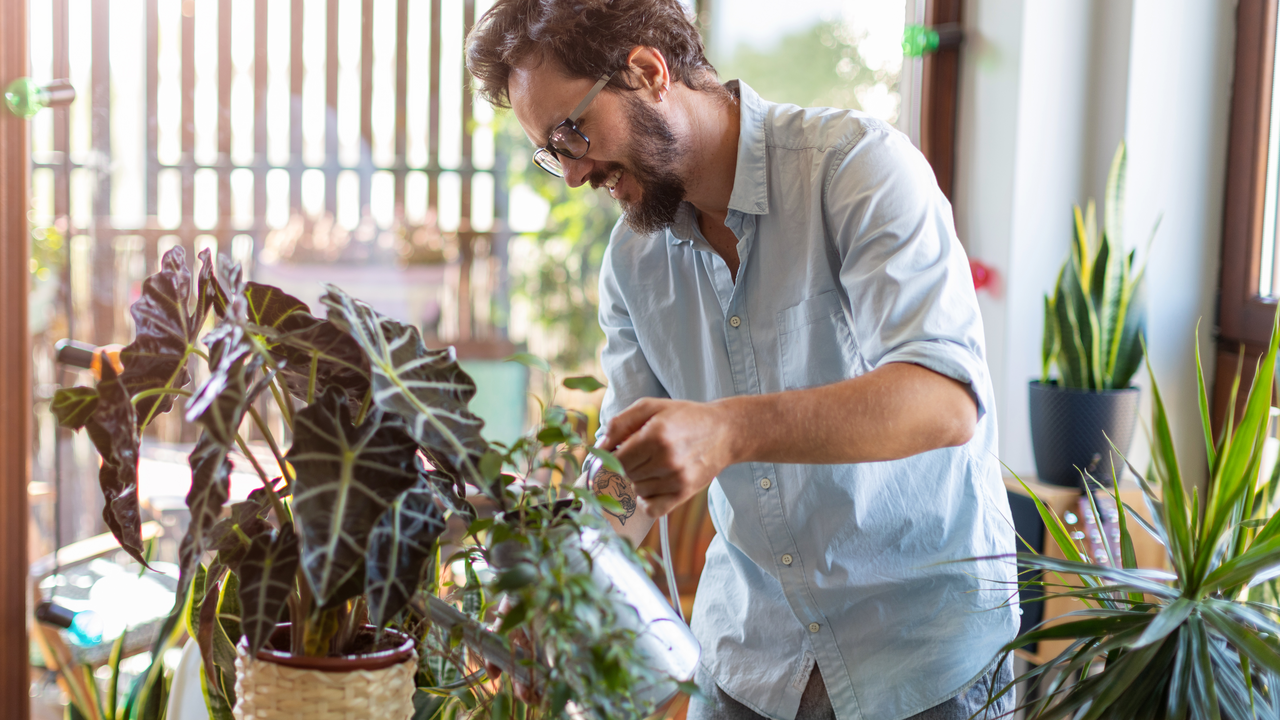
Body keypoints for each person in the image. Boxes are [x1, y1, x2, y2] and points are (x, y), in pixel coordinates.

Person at [466, 2, 1018, 718]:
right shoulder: (633, 264)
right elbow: (627, 477)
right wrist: (549, 580)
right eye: (552, 152)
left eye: (572, 133)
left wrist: (727, 429)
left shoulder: (856, 171)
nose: (573, 175)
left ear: (646, 71)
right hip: (747, 668)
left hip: (921, 663)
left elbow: (943, 402)